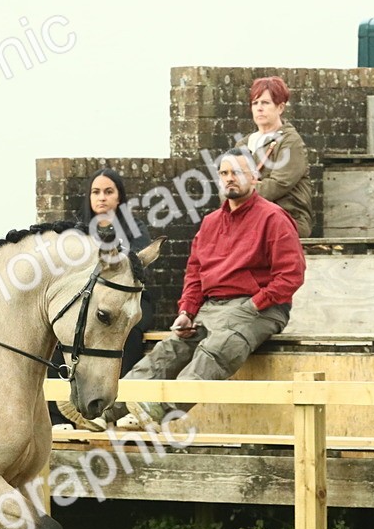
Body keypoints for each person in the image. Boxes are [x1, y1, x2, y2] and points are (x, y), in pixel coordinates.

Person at [102, 148, 305, 429]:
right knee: (168, 350)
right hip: (211, 308)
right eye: (224, 173)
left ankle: (155, 413)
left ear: (254, 177)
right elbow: (195, 274)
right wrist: (186, 312)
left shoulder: (274, 218)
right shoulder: (210, 223)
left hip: (260, 307)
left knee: (217, 348)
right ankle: (107, 410)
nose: (230, 178)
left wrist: (255, 304)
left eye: (237, 172)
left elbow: (291, 275)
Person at [49, 168, 157, 431]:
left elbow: (136, 263)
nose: (102, 197)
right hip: (86, 302)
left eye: (108, 192)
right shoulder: (77, 231)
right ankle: (57, 416)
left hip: (129, 301)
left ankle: (110, 411)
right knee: (58, 336)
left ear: (119, 198)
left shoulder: (134, 228)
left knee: (127, 334)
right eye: (96, 192)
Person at [246, 75, 313, 238]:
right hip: (250, 218)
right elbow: (226, 184)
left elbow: (278, 185)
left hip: (288, 219)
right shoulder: (243, 144)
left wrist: (241, 192)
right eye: (255, 103)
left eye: (265, 103)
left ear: (280, 108)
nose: (259, 108)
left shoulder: (290, 142)